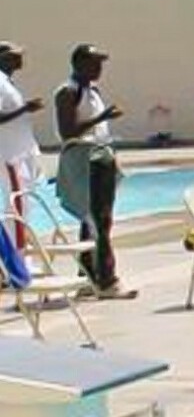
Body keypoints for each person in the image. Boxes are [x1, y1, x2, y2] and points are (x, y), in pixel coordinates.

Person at [54, 44, 135, 299]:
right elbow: (68, 132)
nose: (99, 68)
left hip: (100, 157)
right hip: (84, 160)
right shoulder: (68, 92)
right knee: (100, 220)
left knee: (94, 220)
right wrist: (101, 119)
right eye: (94, 63)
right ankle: (107, 280)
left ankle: (87, 277)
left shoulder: (93, 91)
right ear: (78, 64)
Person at [0, 43, 44, 248]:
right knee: (18, 205)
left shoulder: (7, 82)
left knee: (24, 204)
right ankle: (17, 263)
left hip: (20, 152)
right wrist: (25, 108)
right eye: (15, 55)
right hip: (10, 155)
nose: (20, 58)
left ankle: (17, 257)